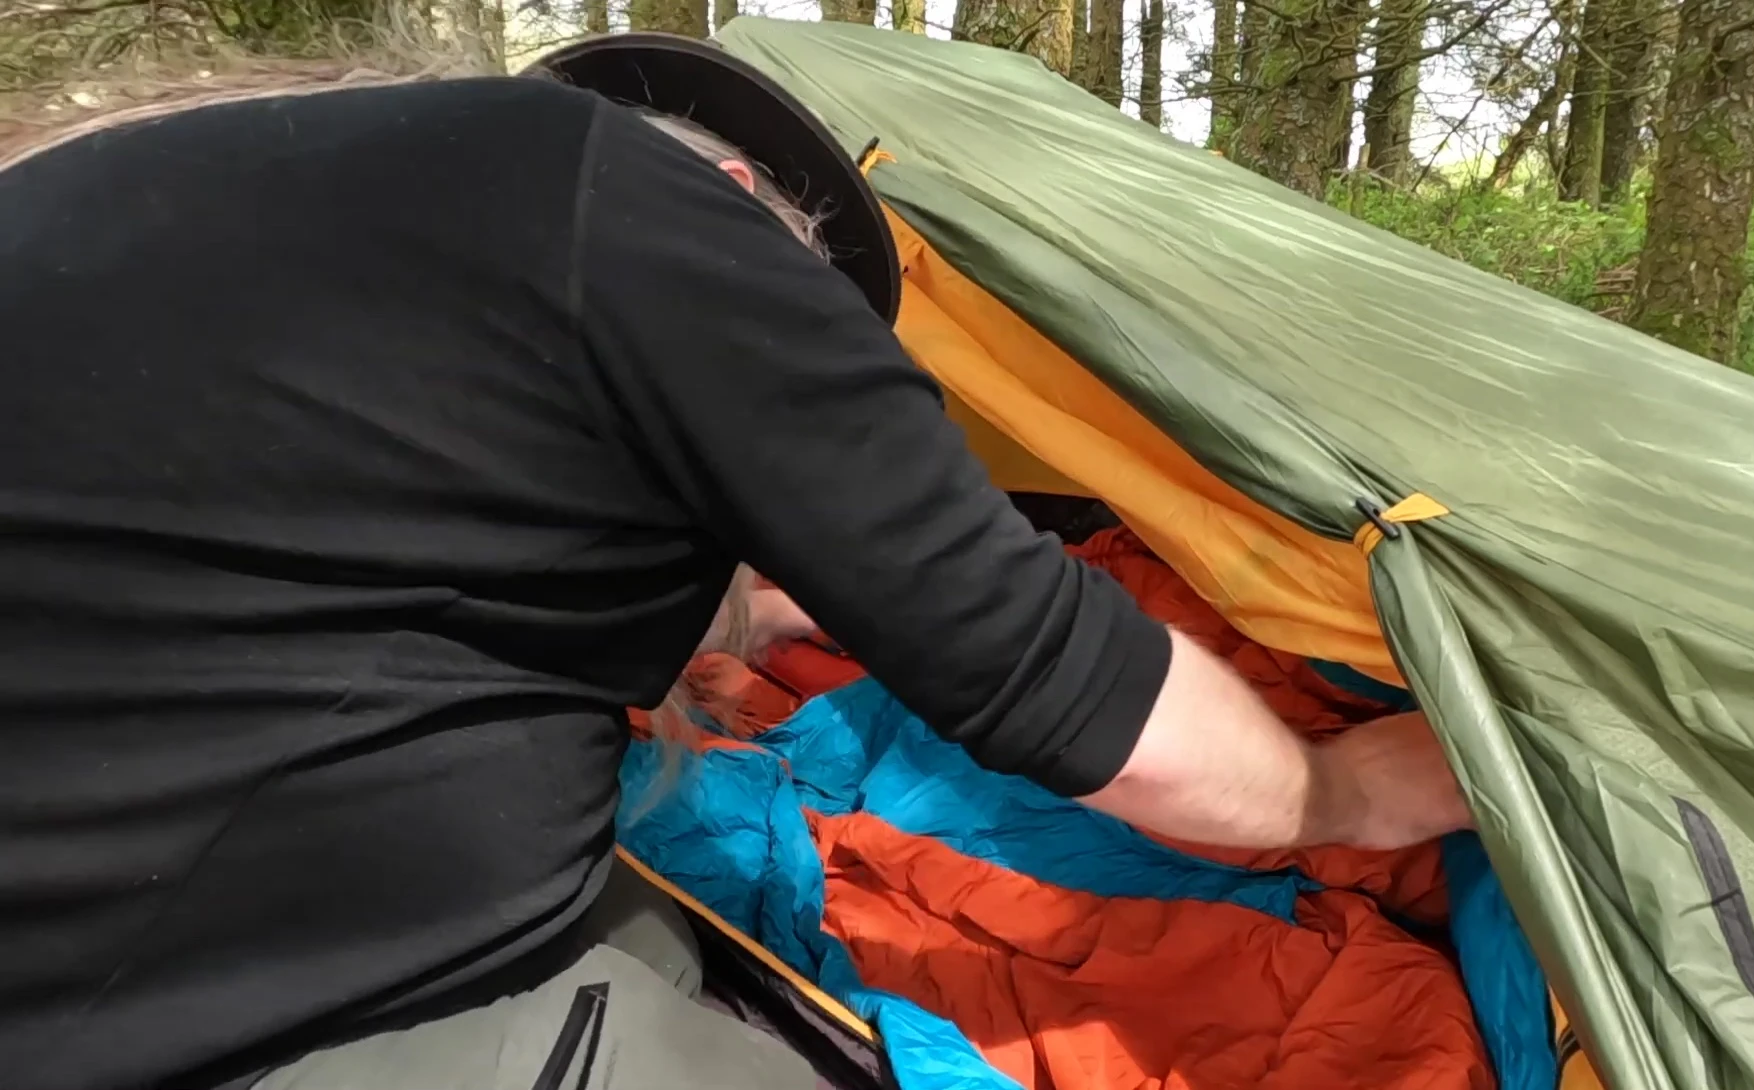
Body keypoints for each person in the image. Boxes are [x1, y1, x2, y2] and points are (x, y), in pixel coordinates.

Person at [0, 32, 1472, 1090]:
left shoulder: (190, 200)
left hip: (164, 934)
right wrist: (1342, 790)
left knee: (671, 938)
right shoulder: (643, 211)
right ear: (750, 202)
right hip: (194, 1011)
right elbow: (1050, 671)